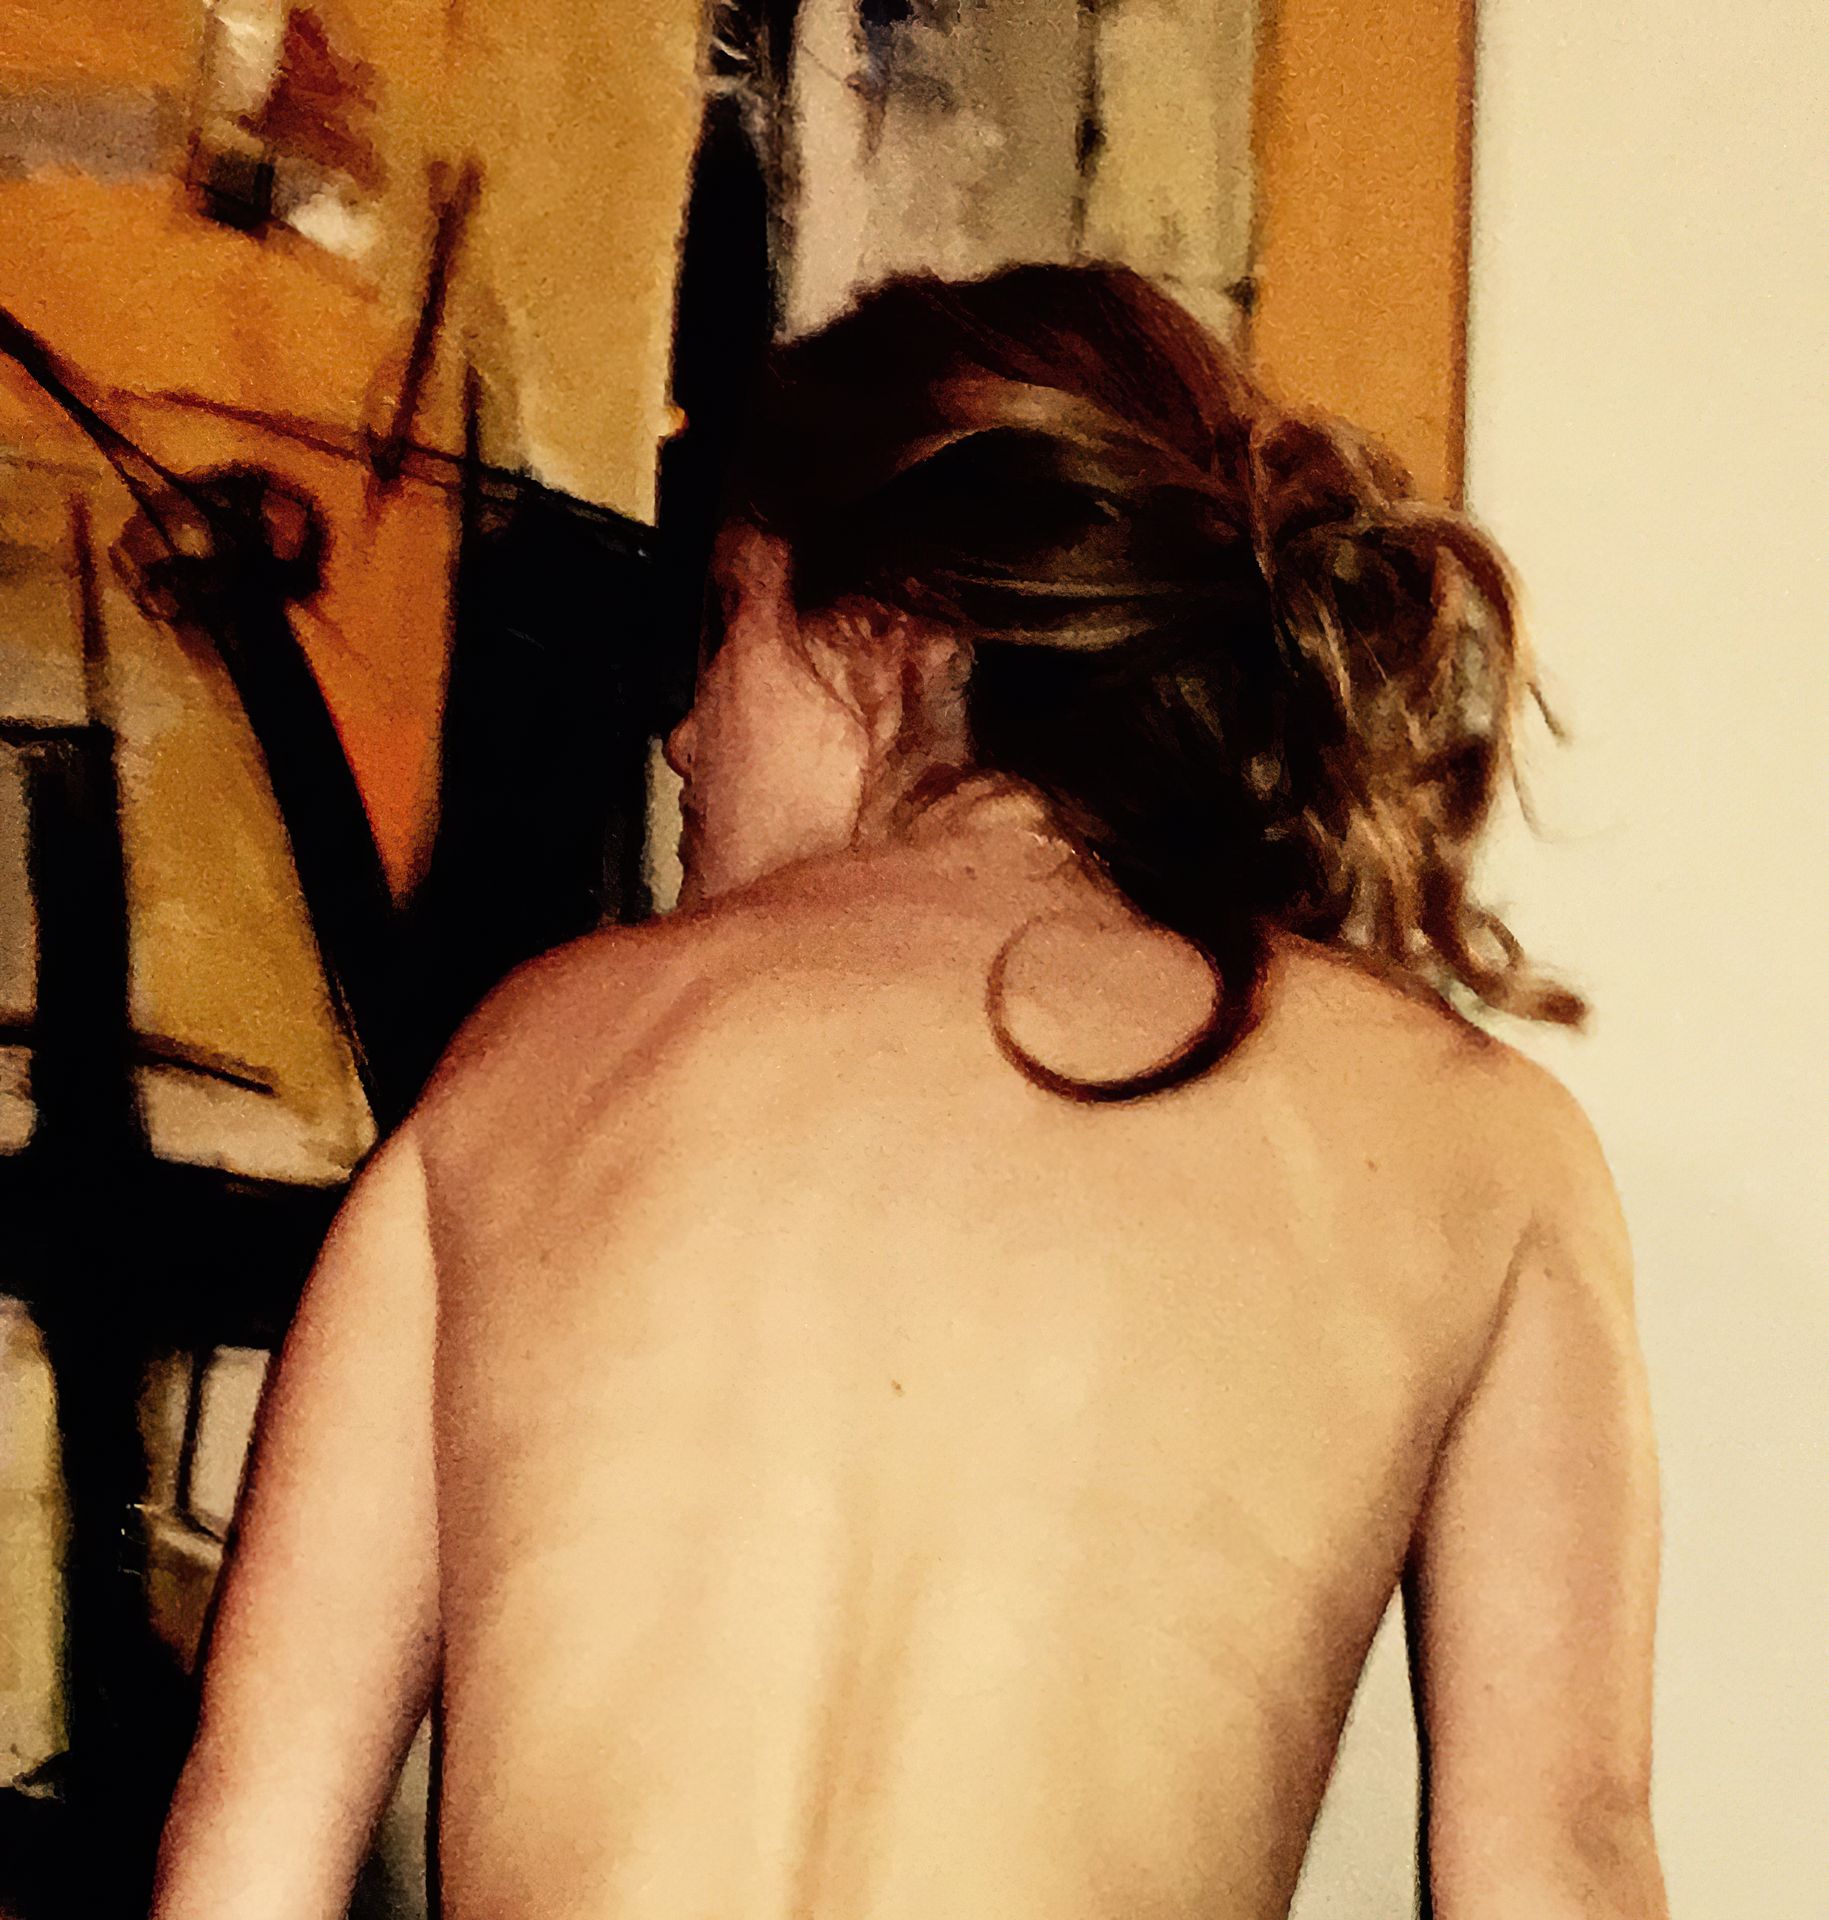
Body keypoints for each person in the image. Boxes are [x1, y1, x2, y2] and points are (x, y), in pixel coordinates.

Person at [151, 263, 1668, 1920]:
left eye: (726, 621)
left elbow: (249, 1850)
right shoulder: (1474, 1140)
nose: (681, 735)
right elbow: (1558, 1873)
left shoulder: (525, 1062)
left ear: (891, 624)